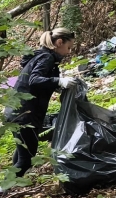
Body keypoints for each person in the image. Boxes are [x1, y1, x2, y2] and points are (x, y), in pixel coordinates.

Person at [6, 27, 79, 178]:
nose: (69, 51)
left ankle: (8, 187)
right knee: (27, 159)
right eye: (68, 47)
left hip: (17, 110)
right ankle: (2, 191)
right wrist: (58, 81)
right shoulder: (47, 58)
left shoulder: (42, 56)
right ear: (59, 42)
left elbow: (39, 82)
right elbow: (34, 80)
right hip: (24, 114)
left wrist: (57, 84)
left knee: (22, 152)